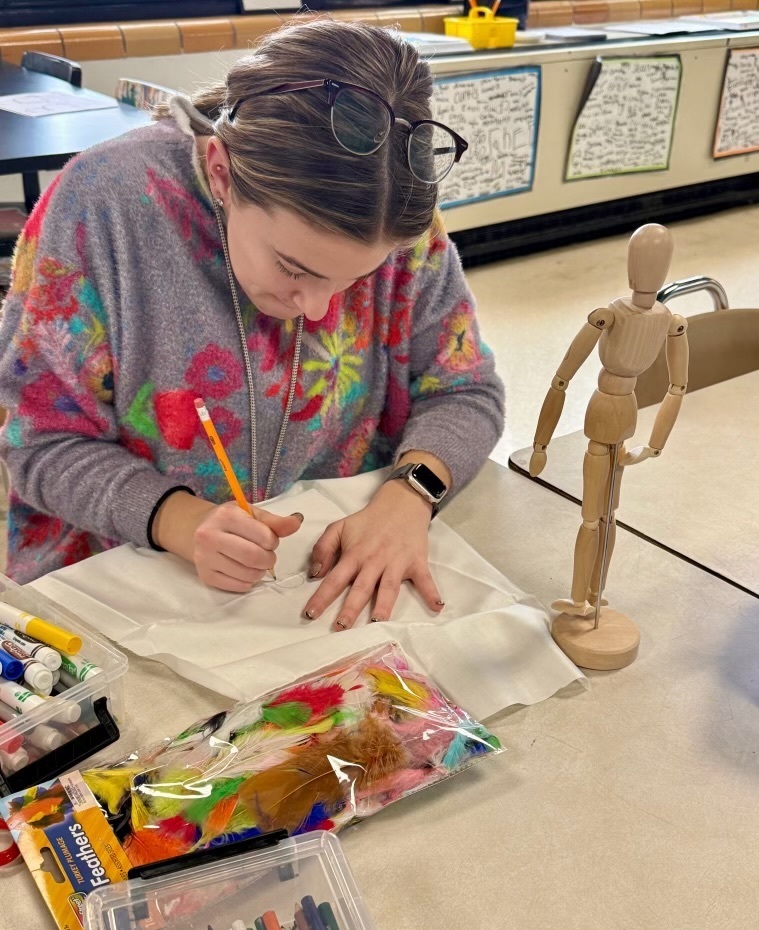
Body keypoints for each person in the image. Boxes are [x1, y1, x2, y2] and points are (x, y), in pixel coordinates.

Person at [0, 19, 504, 630]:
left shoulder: (390, 218)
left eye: (352, 281)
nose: (320, 310)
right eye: (295, 267)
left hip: (320, 576)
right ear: (220, 169)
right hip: (126, 582)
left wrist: (411, 493)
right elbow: (40, 440)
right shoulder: (103, 206)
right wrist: (176, 519)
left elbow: (464, 390)